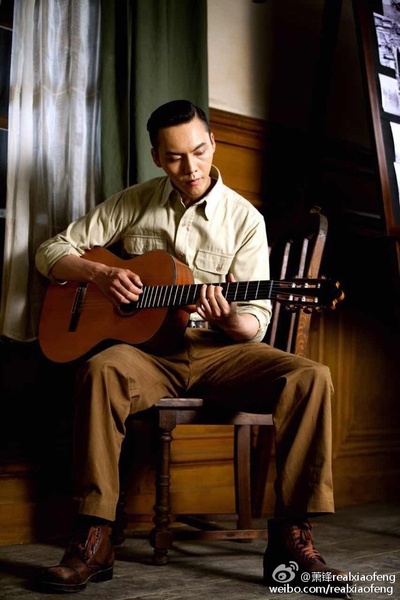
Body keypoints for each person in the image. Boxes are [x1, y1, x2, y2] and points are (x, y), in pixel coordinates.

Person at [35, 99, 347, 596]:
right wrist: (100, 273)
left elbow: (256, 322)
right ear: (157, 157)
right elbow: (50, 251)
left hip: (219, 350)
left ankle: (292, 537)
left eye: (199, 151)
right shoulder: (133, 202)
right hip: (148, 354)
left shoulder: (244, 219)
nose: (191, 167)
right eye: (176, 157)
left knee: (312, 376)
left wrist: (229, 319)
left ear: (213, 143)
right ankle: (94, 536)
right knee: (100, 370)